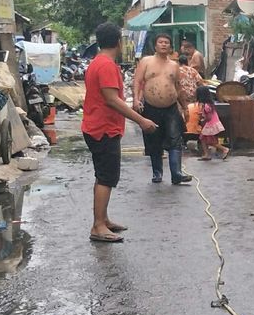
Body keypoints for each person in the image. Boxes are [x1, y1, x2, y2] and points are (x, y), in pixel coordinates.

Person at [81, 22, 157, 243]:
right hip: (102, 129)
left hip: (99, 126)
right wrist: (141, 120)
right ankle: (98, 226)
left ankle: (103, 219)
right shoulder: (106, 66)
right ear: (118, 42)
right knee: (106, 176)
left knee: (104, 174)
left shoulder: (99, 63)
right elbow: (112, 99)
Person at [133, 33, 192, 185]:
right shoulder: (146, 61)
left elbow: (178, 88)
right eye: (161, 42)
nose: (164, 45)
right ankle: (157, 172)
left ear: (170, 46)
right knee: (154, 140)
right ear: (156, 45)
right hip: (151, 107)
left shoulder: (174, 65)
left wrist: (185, 108)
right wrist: (136, 99)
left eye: (167, 42)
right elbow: (138, 81)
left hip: (171, 108)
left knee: (175, 139)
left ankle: (176, 173)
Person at [195, 84, 229, 160]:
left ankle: (224, 149)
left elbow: (209, 117)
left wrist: (203, 119)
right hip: (212, 124)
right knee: (203, 138)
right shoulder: (209, 104)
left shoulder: (206, 106)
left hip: (210, 125)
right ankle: (206, 154)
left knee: (210, 141)